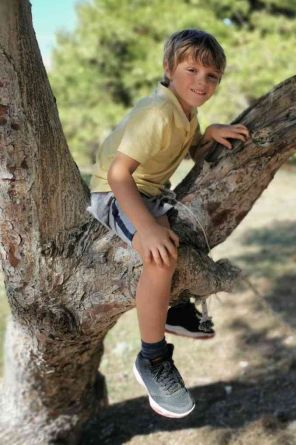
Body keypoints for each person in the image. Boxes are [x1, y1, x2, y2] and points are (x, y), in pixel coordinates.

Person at [87, 29, 250, 418]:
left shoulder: (185, 113)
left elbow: (190, 149)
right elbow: (118, 174)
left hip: (149, 192)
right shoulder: (157, 113)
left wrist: (208, 135)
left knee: (190, 233)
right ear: (168, 68)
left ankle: (174, 309)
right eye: (191, 69)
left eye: (211, 76)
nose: (202, 82)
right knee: (159, 255)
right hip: (114, 194)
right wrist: (146, 227)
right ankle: (152, 359)